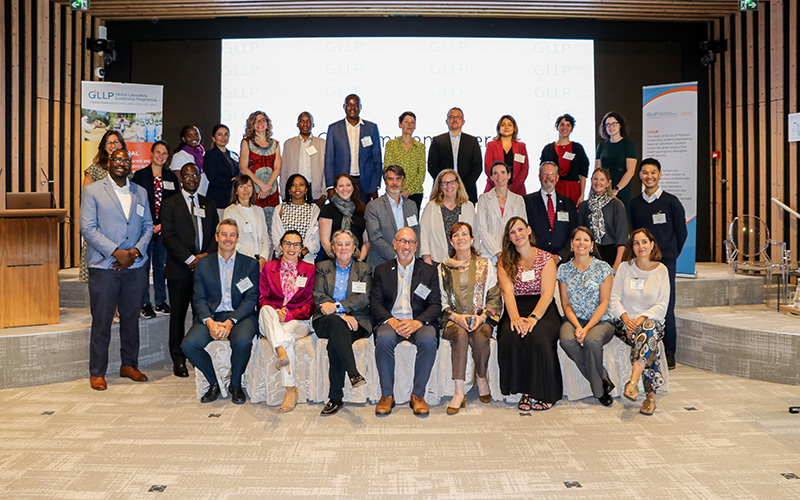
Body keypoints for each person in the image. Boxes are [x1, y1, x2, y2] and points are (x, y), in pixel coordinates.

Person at [80, 148, 153, 391]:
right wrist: (116, 253)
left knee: (131, 319)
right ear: (109, 163)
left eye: (126, 160)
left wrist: (133, 253)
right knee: (101, 321)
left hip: (135, 266)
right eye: (117, 159)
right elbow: (88, 228)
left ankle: (129, 365)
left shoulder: (140, 192)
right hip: (104, 266)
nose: (121, 163)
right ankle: (97, 372)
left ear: (131, 164)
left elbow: (148, 226)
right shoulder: (92, 190)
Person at [181, 219, 260, 404]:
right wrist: (209, 322)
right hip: (212, 315)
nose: (228, 239)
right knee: (189, 345)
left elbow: (251, 299)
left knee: (242, 342)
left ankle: (235, 385)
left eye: (232, 235)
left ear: (237, 238)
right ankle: (214, 382)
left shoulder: (250, 264)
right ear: (217, 237)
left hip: (240, 315)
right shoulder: (203, 264)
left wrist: (231, 322)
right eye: (224, 234)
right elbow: (198, 298)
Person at [370, 227, 441, 416]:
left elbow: (435, 305)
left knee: (428, 339)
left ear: (416, 246)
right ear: (394, 244)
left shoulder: (429, 271)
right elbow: (375, 304)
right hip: (391, 322)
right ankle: (387, 395)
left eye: (410, 242)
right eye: (402, 241)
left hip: (418, 322)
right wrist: (391, 321)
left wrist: (418, 323)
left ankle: (418, 395)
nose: (406, 246)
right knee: (383, 339)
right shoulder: (382, 270)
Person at [496, 217, 562, 411]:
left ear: (529, 230)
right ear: (509, 237)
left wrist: (533, 318)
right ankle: (526, 391)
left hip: (542, 308)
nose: (518, 235)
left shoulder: (546, 258)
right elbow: (507, 291)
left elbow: (548, 293)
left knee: (538, 337)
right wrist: (515, 318)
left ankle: (548, 393)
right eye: (512, 232)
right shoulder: (504, 260)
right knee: (510, 335)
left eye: (520, 229)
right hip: (516, 306)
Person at [160, 163, 219, 378]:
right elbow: (168, 236)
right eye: (187, 175)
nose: (192, 178)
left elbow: (216, 234)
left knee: (202, 315)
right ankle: (178, 359)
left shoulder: (208, 204)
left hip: (204, 270)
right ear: (181, 179)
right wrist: (190, 258)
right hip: (179, 270)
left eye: (195, 175)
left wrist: (203, 258)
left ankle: (198, 355)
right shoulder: (170, 204)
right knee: (177, 317)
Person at [437, 222, 502, 414]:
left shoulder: (485, 264)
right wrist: (456, 317)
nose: (460, 238)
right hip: (453, 319)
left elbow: (494, 296)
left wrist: (482, 318)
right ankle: (459, 391)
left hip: (479, 318)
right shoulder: (443, 268)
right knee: (460, 335)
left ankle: (481, 377)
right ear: (451, 241)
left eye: (464, 234)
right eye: (456, 235)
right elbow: (440, 300)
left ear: (472, 239)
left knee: (481, 337)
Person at [630, 158, 687, 370]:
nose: (649, 176)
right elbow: (634, 232)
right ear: (640, 176)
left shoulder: (671, 202)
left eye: (653, 172)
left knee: (666, 306)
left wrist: (670, 254)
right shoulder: (635, 203)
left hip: (666, 263)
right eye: (645, 172)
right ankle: (644, 348)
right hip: (642, 264)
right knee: (642, 304)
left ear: (660, 174)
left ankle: (669, 352)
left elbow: (681, 232)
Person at [609, 228, 670, 415]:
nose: (640, 246)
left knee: (648, 330)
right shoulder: (624, 268)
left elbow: (662, 305)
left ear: (652, 245)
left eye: (644, 242)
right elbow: (614, 299)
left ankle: (633, 381)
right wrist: (627, 320)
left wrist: (641, 320)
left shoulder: (661, 270)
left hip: (651, 321)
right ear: (632, 247)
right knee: (648, 339)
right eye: (636, 243)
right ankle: (650, 397)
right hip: (624, 323)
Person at [312, 229, 372, 416]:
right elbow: (318, 296)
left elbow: (364, 298)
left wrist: (338, 307)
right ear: (333, 247)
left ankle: (335, 399)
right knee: (337, 326)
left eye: (347, 244)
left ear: (354, 247)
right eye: (339, 244)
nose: (343, 247)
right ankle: (353, 372)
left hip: (357, 321)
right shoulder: (323, 266)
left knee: (335, 344)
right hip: (326, 320)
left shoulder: (364, 269)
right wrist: (341, 315)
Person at [557, 227, 616, 406]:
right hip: (574, 319)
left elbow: (604, 303)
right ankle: (602, 378)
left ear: (591, 245)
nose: (581, 243)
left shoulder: (603, 268)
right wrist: (577, 326)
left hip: (601, 320)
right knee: (566, 340)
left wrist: (587, 328)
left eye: (585, 240)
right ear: (571, 244)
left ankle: (598, 391)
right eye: (577, 239)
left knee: (591, 341)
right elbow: (566, 304)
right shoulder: (564, 270)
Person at [258, 230, 315, 413]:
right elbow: (262, 298)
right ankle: (290, 384)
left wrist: (289, 315)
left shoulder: (310, 269)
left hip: (298, 320)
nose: (291, 248)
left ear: (301, 248)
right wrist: (276, 312)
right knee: (265, 310)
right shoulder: (268, 268)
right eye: (288, 243)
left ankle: (290, 387)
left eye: (296, 244)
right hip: (272, 318)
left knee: (287, 333)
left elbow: (310, 304)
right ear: (281, 246)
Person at [132, 140, 180, 318]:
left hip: (163, 230)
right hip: (144, 229)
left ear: (168, 157)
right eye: (158, 152)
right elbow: (135, 203)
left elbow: (175, 205)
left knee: (160, 266)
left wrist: (161, 226)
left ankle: (160, 301)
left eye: (164, 153)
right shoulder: (140, 176)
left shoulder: (171, 178)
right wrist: (147, 225)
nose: (161, 156)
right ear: (151, 154)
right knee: (143, 266)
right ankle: (144, 303)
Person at [80, 130, 127, 283]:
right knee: (101, 282)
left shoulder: (126, 170)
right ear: (104, 146)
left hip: (121, 230)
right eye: (109, 142)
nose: (113, 145)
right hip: (100, 229)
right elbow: (85, 197)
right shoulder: (95, 168)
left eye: (116, 142)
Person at [324, 94, 382, 204]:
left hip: (365, 183)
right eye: (349, 105)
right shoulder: (334, 129)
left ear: (360, 107)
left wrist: (376, 185)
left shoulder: (371, 128)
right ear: (344, 107)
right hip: (342, 183)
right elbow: (329, 160)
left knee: (362, 217)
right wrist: (330, 186)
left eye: (355, 105)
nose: (352, 108)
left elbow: (377, 159)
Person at [364, 165, 420, 269]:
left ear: (403, 181)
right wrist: (398, 257)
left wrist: (412, 258)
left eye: (398, 179)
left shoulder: (411, 205)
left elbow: (416, 233)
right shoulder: (373, 206)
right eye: (390, 179)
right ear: (385, 182)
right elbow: (375, 238)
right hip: (382, 264)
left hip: (409, 264)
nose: (394, 183)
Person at [523, 161, 578, 263]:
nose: (548, 177)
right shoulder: (527, 202)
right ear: (539, 177)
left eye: (552, 174)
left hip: (563, 262)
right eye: (545, 174)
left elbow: (573, 233)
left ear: (557, 178)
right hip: (534, 260)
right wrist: (538, 255)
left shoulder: (569, 204)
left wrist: (560, 255)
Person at [420, 169, 475, 266]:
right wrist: (427, 262)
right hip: (437, 262)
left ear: (458, 184)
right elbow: (424, 235)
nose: (449, 186)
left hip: (464, 262)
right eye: (445, 183)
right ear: (440, 186)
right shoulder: (431, 206)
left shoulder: (468, 206)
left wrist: (474, 258)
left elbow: (475, 234)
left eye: (452, 182)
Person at [427, 107, 483, 203]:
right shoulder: (437, 141)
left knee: (466, 218)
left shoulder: (472, 141)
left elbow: (477, 167)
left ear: (463, 122)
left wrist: (461, 185)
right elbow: (432, 166)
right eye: (451, 117)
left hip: (467, 190)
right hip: (442, 190)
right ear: (446, 121)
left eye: (458, 117)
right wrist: (444, 183)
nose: (455, 119)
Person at [239, 111, 282, 233]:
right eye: (256, 121)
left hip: (272, 191)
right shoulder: (246, 142)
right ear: (252, 125)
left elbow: (277, 168)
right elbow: (244, 168)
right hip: (254, 191)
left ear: (267, 123)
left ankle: (269, 253)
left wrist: (268, 186)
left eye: (263, 120)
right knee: (255, 227)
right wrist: (262, 185)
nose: (260, 123)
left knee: (271, 228)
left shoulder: (275, 144)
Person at [475, 161, 527, 263]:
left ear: (509, 175)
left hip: (513, 253)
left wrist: (509, 252)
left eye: (503, 172)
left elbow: (523, 227)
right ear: (491, 177)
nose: (499, 176)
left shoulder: (518, 200)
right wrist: (498, 253)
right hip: (488, 254)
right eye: (495, 173)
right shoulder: (483, 199)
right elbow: (482, 229)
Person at [578, 167, 628, 271]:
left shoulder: (616, 205)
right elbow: (580, 234)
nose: (598, 182)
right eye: (595, 179)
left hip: (611, 255)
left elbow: (622, 237)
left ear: (608, 183)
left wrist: (617, 263)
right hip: (589, 254)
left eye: (602, 179)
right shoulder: (584, 206)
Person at [540, 113, 590, 207]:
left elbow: (582, 174)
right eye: (562, 124)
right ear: (557, 127)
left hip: (573, 190)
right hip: (554, 188)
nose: (564, 128)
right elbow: (543, 172)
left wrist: (582, 194)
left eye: (568, 125)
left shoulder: (577, 148)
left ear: (571, 128)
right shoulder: (548, 149)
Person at [222, 175, 271, 270]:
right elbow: (230, 239)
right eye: (241, 186)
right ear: (236, 191)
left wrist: (263, 258)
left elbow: (265, 238)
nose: (246, 189)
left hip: (261, 262)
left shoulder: (259, 210)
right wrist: (250, 260)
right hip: (241, 260)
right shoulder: (230, 211)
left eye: (249, 186)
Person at [271, 174, 321, 264]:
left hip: (306, 259)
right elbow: (275, 235)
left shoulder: (314, 209)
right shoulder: (279, 208)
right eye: (293, 185)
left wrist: (301, 254)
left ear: (306, 189)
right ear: (289, 190)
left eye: (301, 185)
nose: (297, 188)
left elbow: (316, 237)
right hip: (283, 259)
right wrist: (287, 254)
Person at [319, 173, 368, 261]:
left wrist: (361, 259)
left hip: (358, 261)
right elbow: (325, 242)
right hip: (333, 260)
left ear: (353, 188)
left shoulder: (362, 209)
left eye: (348, 185)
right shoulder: (327, 210)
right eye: (341, 186)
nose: (345, 189)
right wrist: (340, 260)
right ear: (336, 190)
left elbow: (367, 241)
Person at [595, 111, 638, 211]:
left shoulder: (629, 145)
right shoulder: (601, 146)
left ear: (620, 125)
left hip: (622, 187)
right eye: (608, 124)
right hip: (603, 187)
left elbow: (630, 171)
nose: (611, 127)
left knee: (621, 218)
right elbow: (597, 170)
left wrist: (616, 190)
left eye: (614, 123)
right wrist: (601, 188)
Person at [384, 111, 426, 210]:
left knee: (412, 223)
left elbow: (421, 174)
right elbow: (387, 169)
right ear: (400, 124)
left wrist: (408, 191)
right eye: (406, 121)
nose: (410, 125)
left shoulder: (420, 147)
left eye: (412, 122)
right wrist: (397, 190)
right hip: (394, 191)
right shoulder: (391, 145)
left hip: (415, 193)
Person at [282, 111, 327, 205]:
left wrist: (324, 194)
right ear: (297, 124)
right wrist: (283, 194)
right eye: (302, 121)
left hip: (315, 192)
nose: (305, 124)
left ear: (313, 124)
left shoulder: (322, 143)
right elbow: (284, 171)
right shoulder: (289, 144)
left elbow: (326, 171)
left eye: (308, 121)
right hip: (295, 191)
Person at [483, 115, 529, 195]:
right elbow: (488, 168)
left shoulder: (521, 146)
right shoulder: (492, 145)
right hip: (494, 187)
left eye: (509, 125)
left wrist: (514, 187)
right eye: (503, 125)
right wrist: (499, 185)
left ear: (514, 128)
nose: (506, 127)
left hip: (517, 189)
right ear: (499, 128)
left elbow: (524, 168)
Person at [203, 124, 240, 218]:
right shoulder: (210, 155)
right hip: (218, 199)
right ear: (213, 138)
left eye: (226, 134)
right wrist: (233, 182)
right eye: (220, 134)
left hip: (233, 200)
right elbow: (213, 178)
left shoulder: (233, 154)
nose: (223, 137)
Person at [170, 125, 209, 195]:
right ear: (183, 139)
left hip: (204, 197)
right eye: (190, 135)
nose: (194, 138)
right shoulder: (179, 156)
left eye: (196, 135)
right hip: (188, 199)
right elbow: (177, 182)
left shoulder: (205, 155)